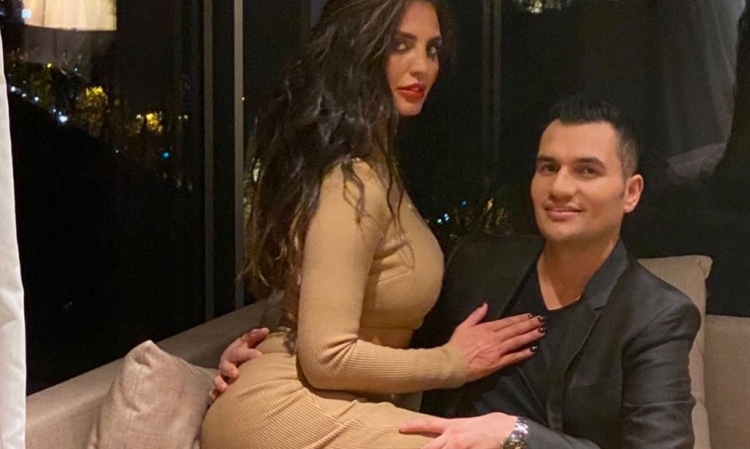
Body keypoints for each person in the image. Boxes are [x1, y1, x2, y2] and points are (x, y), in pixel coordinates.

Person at [217, 96, 701, 448]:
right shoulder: (480, 264)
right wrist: (264, 348)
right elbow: (382, 327)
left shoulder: (654, 314)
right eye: (548, 167)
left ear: (631, 192)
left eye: (587, 171)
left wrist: (517, 435)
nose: (560, 187)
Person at [200, 1, 545, 448]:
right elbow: (326, 356)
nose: (422, 66)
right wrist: (453, 362)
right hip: (283, 405)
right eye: (400, 45)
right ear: (356, 50)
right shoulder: (353, 180)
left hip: (327, 397)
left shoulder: (378, 165)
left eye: (432, 49)